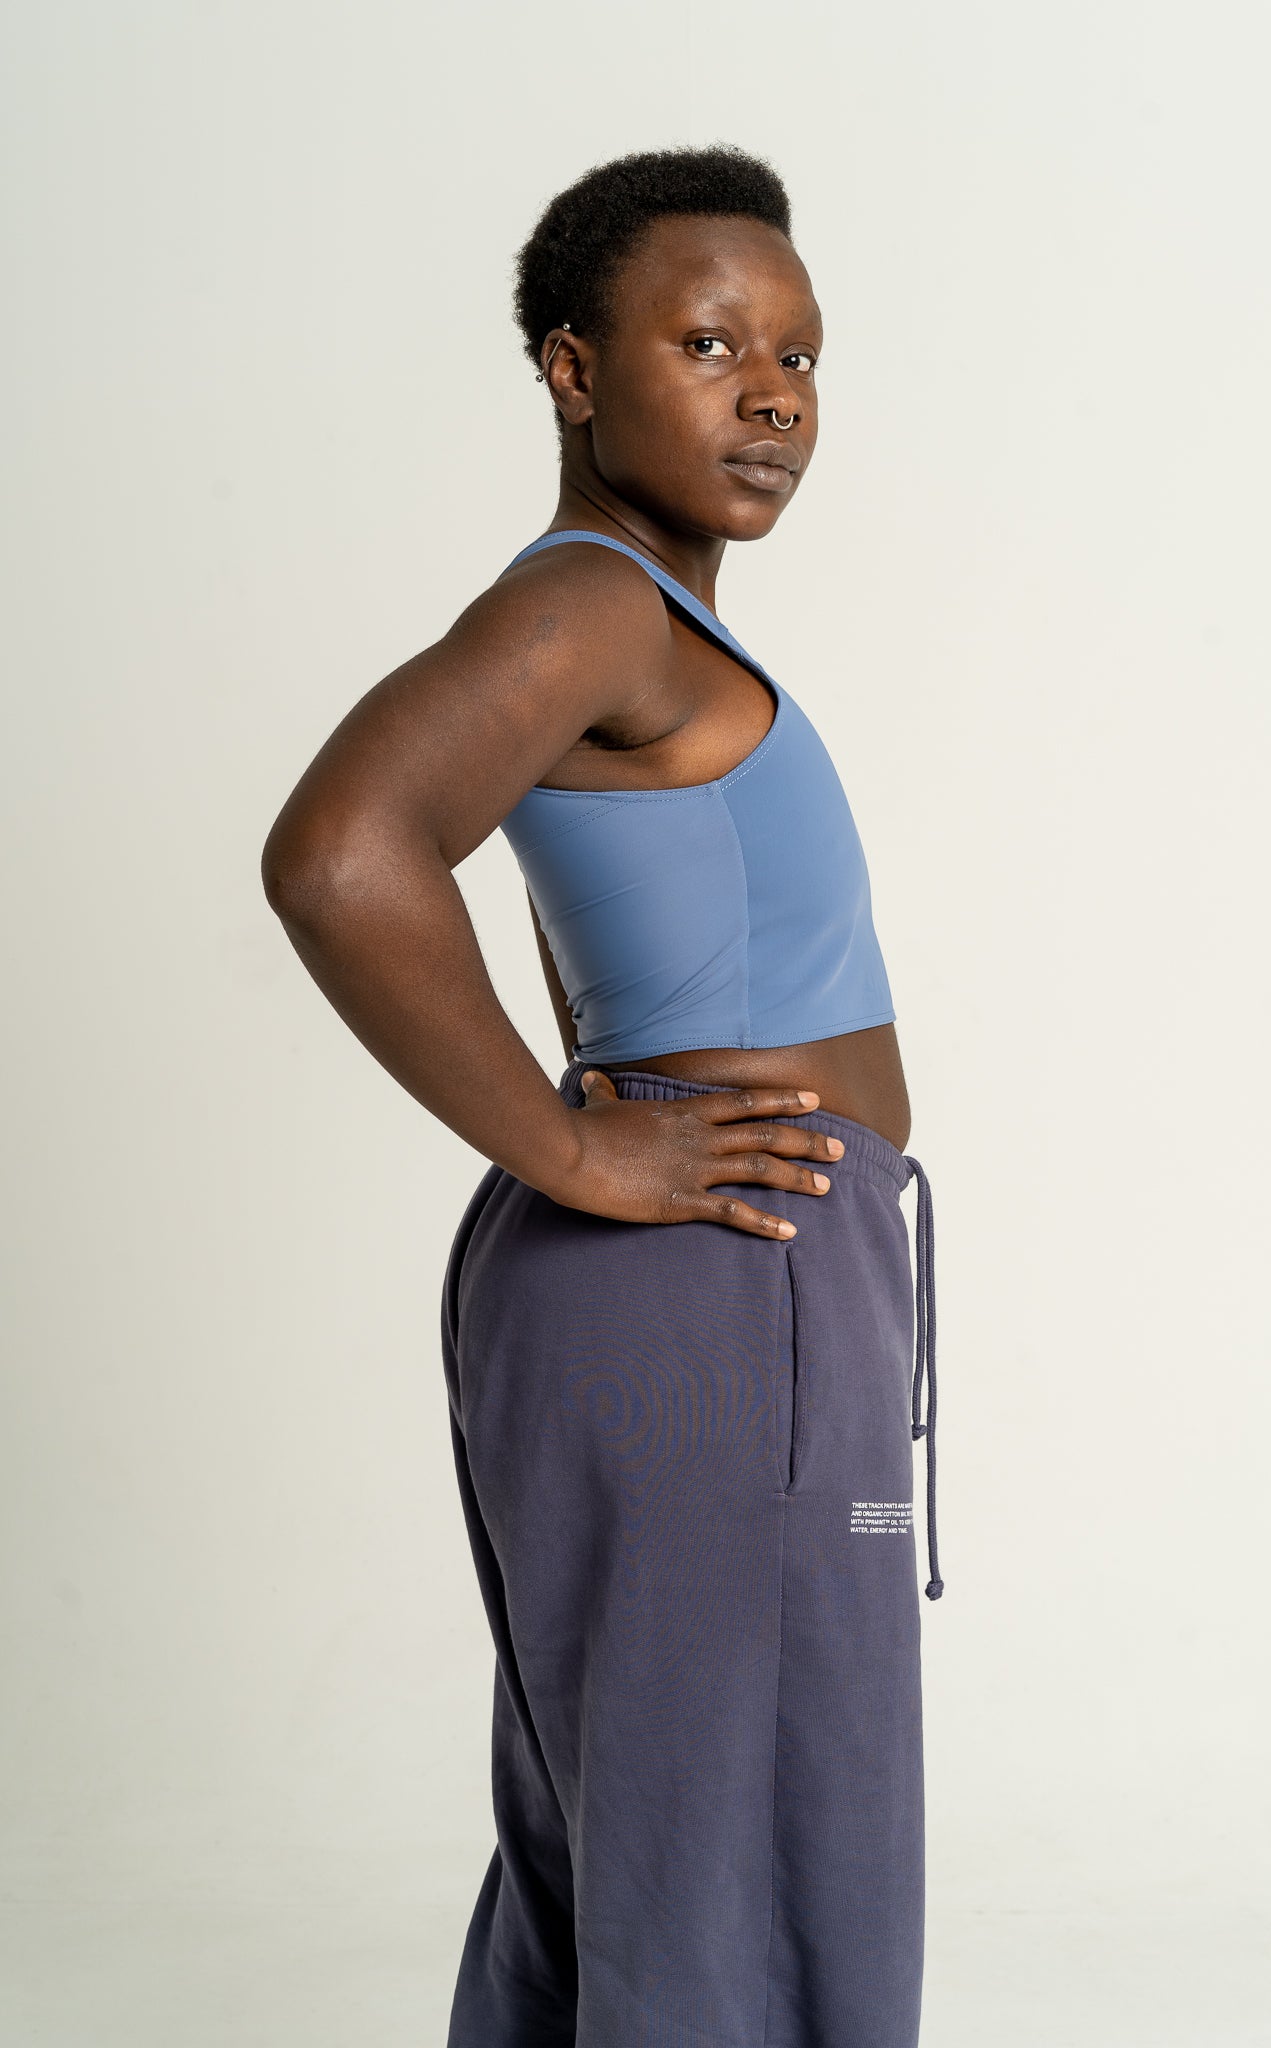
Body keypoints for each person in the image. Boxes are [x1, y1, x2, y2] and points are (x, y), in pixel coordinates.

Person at [262, 141, 942, 2048]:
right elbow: (341, 856)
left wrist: (586, 1147)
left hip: (700, 1281)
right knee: (733, 1842)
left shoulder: (639, 620)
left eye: (799, 355)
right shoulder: (600, 607)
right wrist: (574, 1144)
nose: (771, 394)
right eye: (707, 342)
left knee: (644, 1833)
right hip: (712, 1286)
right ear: (572, 368)